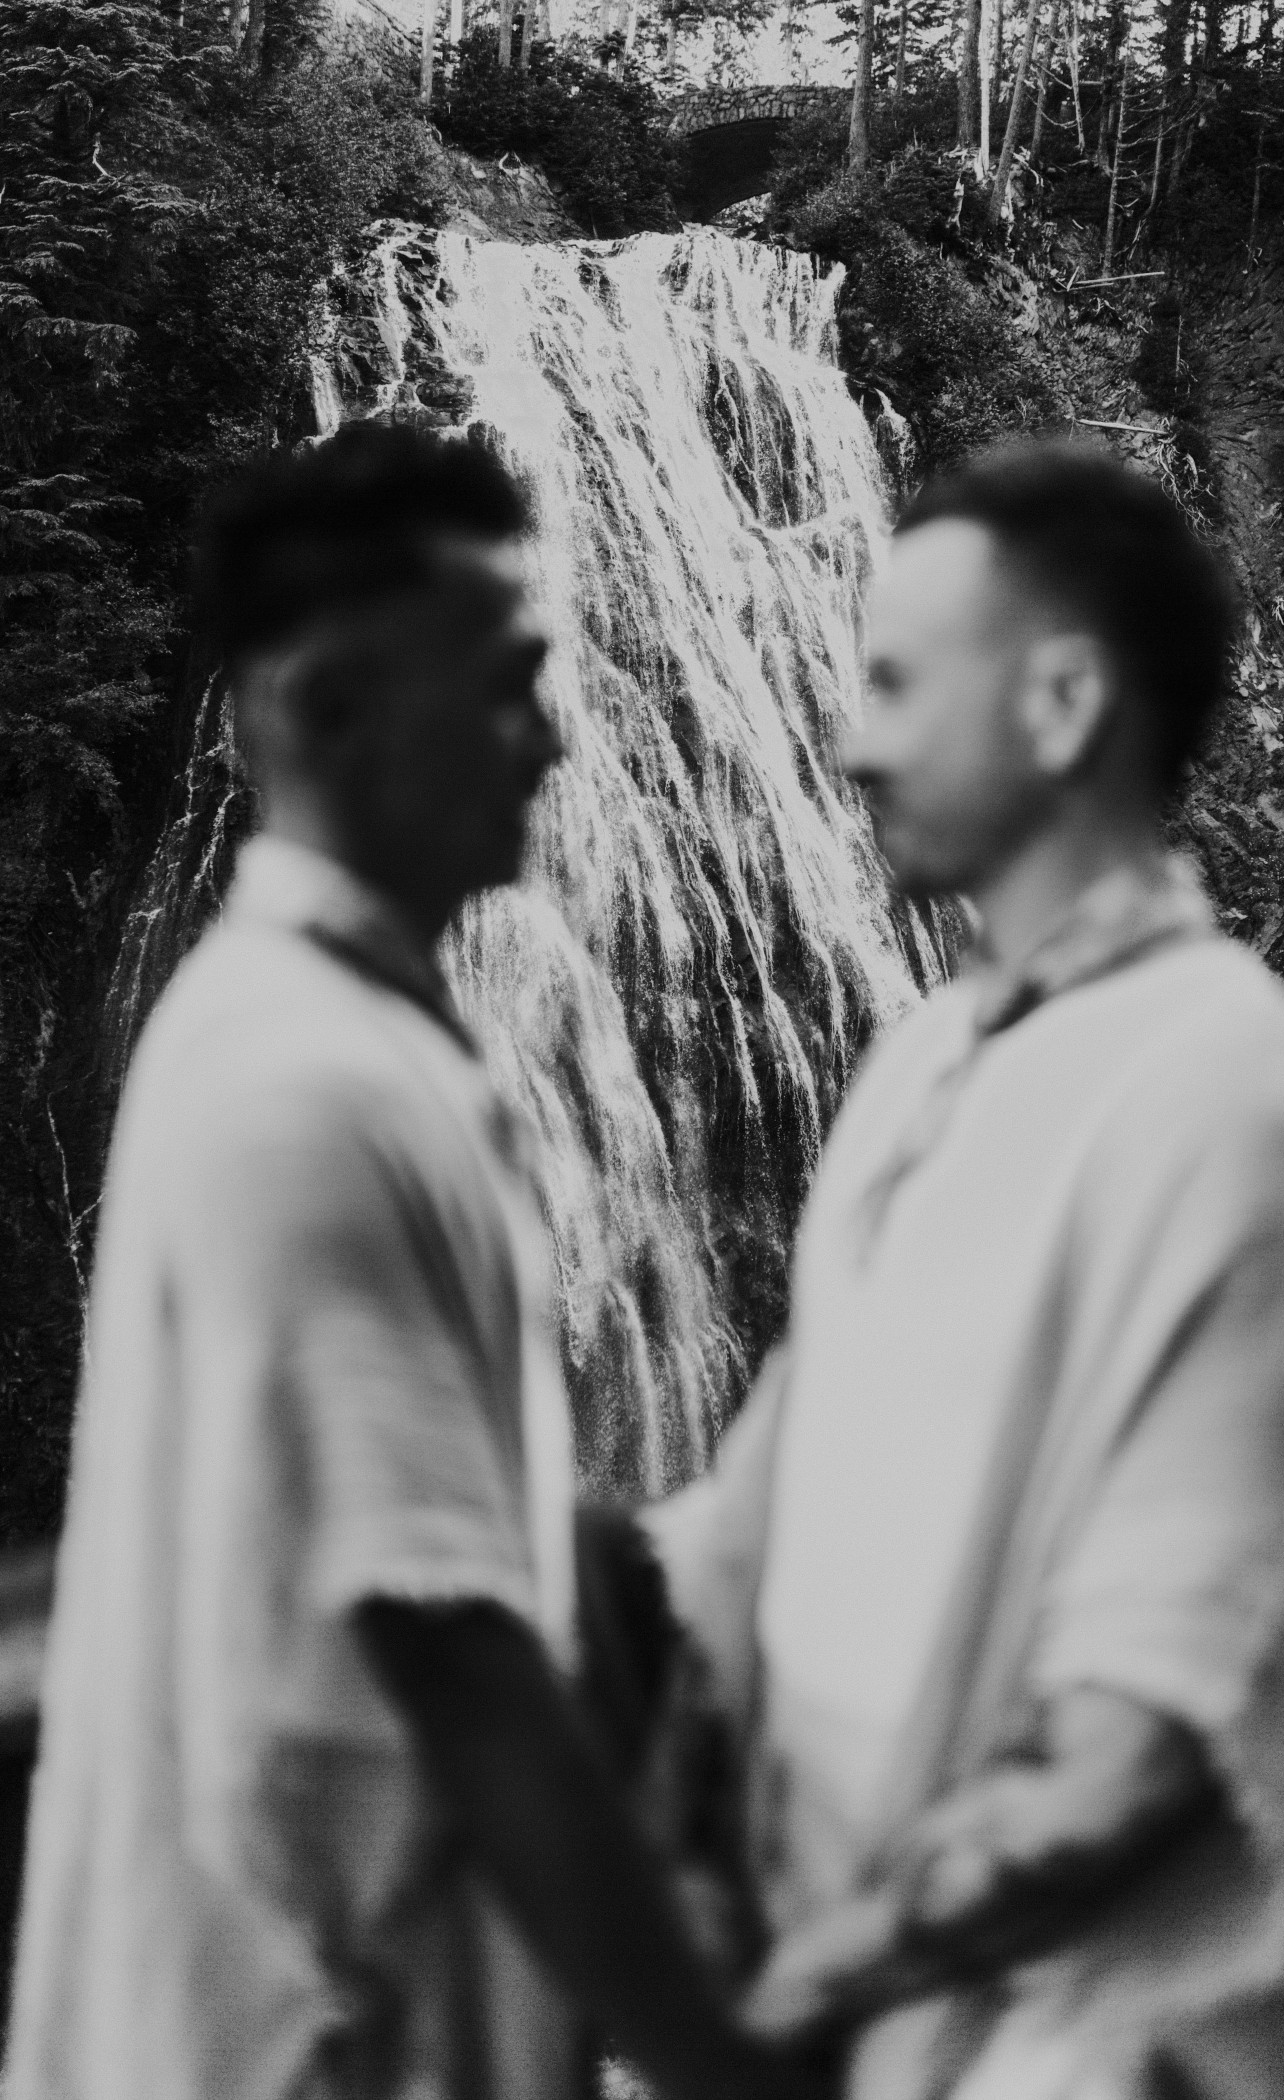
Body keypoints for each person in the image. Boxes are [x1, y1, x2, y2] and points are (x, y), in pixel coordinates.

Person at [3, 424, 819, 2100]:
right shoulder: (296, 1086)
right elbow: (459, 1657)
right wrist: (726, 2064)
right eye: (507, 683)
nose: (555, 734)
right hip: (294, 2033)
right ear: (327, 709)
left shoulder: (359, 1045)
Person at [638, 444, 1284, 2100]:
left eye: (896, 683)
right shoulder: (921, 1068)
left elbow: (1146, 1734)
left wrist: (766, 2007)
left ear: (1057, 706)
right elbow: (751, 1506)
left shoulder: (1228, 1092)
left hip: (1080, 2060)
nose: (847, 740)